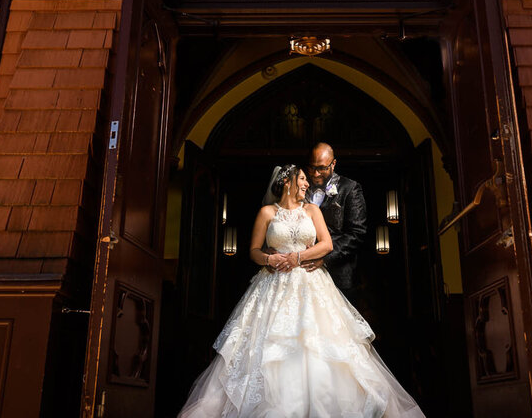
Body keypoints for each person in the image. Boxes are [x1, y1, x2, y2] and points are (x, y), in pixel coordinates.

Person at [178, 164, 425, 418]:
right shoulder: (266, 212)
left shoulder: (312, 210)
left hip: (310, 283)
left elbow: (327, 244)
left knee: (318, 345)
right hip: (272, 284)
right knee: (264, 348)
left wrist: (298, 257)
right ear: (287, 182)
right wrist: (269, 260)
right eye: (303, 179)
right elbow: (253, 250)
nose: (307, 184)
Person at [300, 142, 367, 296]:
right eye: (312, 167)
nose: (315, 174)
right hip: (303, 274)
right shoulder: (300, 187)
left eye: (322, 168)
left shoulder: (350, 188)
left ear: (333, 164)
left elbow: (356, 234)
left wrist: (324, 258)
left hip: (340, 275)